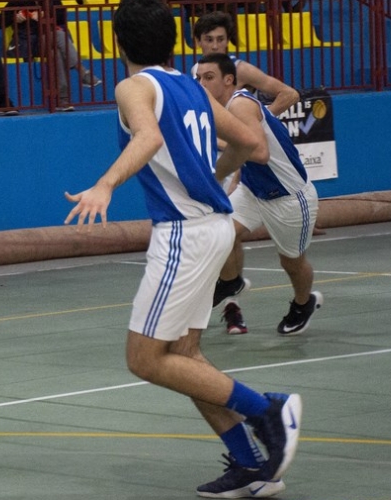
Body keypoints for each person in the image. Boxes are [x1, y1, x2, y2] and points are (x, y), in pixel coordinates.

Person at [63, 0, 302, 497]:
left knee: (144, 359)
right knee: (183, 355)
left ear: (117, 42)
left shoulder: (133, 86)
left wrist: (106, 184)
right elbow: (250, 143)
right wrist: (214, 174)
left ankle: (268, 411)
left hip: (183, 234)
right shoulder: (192, 86)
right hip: (214, 227)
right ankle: (248, 462)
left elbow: (148, 137)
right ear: (173, 40)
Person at [196, 53, 321, 337]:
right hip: (253, 191)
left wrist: (217, 159)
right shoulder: (218, 109)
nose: (202, 84)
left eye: (209, 77)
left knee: (291, 262)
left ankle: (303, 304)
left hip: (288, 198)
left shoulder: (240, 104)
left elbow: (260, 153)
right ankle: (231, 282)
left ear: (228, 80)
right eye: (199, 78)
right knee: (217, 231)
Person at [0, 0, 101, 112]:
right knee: (59, 35)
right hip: (27, 43)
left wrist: (44, 15)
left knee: (55, 52)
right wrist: (14, 18)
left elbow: (62, 16)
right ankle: (82, 72)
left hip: (46, 41)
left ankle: (62, 100)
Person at [191, 10, 299, 117]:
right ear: (198, 41)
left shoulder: (240, 69)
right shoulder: (196, 69)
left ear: (227, 41)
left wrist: (261, 120)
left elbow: (290, 94)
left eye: (220, 39)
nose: (215, 46)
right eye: (209, 40)